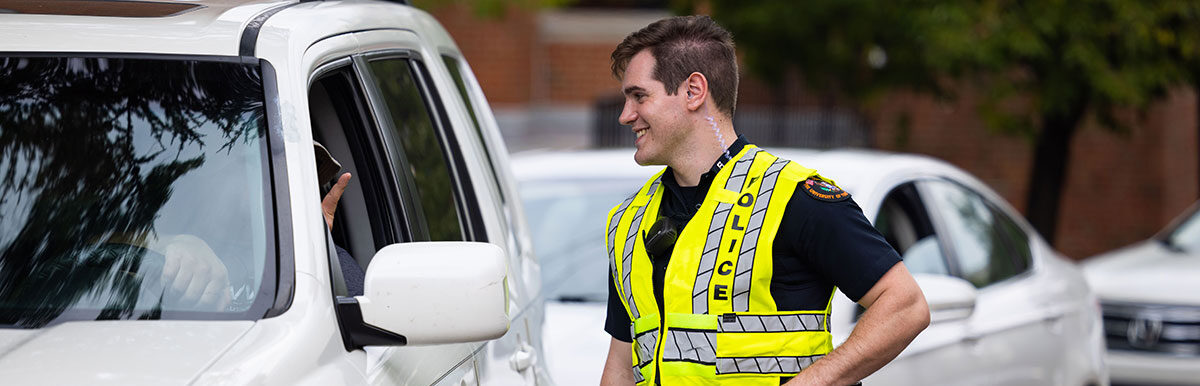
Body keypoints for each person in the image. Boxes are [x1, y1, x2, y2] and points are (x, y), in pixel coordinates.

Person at [599, 16, 930, 386]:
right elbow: (620, 367)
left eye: (639, 96)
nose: (625, 115)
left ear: (694, 91)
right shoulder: (628, 221)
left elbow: (905, 304)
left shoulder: (793, 197)